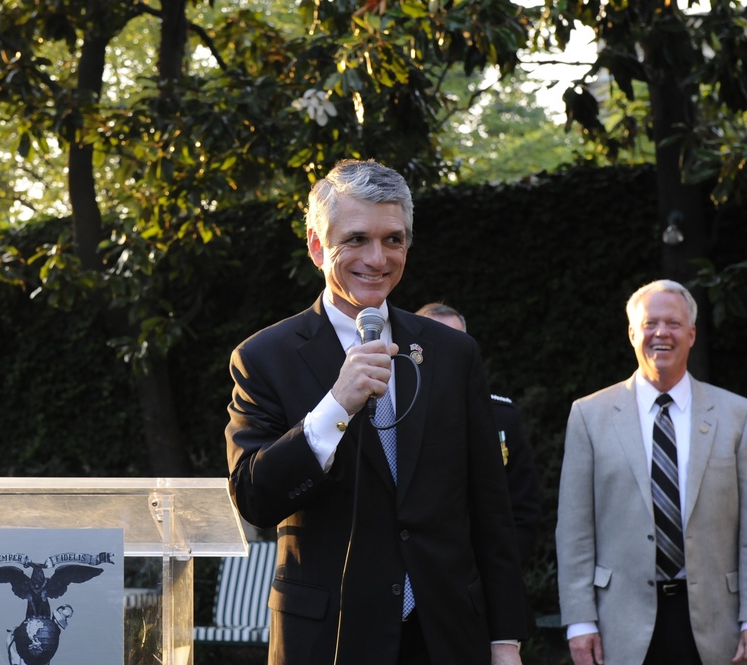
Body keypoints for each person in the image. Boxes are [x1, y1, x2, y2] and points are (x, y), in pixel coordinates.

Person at [225, 159, 528, 664]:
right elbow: (254, 499)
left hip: (446, 634)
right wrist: (335, 405)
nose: (377, 258)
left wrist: (505, 640)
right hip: (331, 639)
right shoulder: (264, 358)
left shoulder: (452, 354)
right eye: (356, 239)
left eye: (394, 239)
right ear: (317, 245)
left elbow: (490, 509)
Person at [556, 279, 747, 665]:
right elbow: (575, 529)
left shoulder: (737, 415)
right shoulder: (589, 416)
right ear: (632, 333)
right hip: (619, 626)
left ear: (691, 334)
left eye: (673, 324)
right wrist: (579, 622)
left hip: (715, 625)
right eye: (649, 323)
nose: (661, 333)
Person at [414, 302, 541, 570]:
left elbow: (523, 509)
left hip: (489, 573)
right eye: (438, 342)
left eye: (457, 342)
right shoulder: (395, 418)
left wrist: (503, 571)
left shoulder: (502, 417)